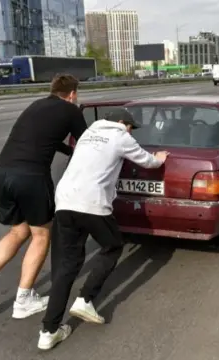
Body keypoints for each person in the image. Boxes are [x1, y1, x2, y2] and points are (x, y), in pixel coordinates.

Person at [37, 108, 169, 350]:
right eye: (131, 126)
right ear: (121, 123)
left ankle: (48, 331)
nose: (131, 131)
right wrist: (159, 157)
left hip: (65, 202)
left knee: (66, 266)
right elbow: (146, 161)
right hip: (93, 203)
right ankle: (85, 299)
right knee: (113, 246)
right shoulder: (120, 136)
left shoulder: (88, 133)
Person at [0, 74, 88, 319]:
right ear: (72, 94)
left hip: (4, 173)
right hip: (31, 176)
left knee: (18, 231)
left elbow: (45, 139)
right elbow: (87, 142)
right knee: (41, 235)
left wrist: (66, 150)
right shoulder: (71, 110)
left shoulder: (35, 106)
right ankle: (23, 300)